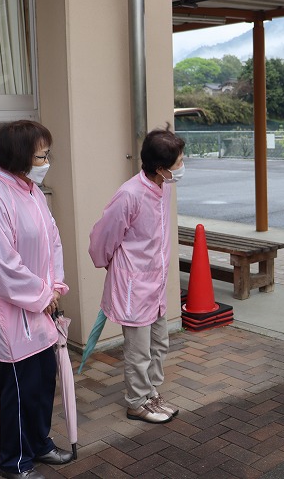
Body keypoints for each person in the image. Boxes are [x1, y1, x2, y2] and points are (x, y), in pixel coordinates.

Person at [0, 120, 73, 479]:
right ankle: (14, 462)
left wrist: (55, 286)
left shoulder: (31, 192)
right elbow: (1, 264)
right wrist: (42, 294)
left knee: (43, 382)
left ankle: (40, 443)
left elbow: (52, 241)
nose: (46, 162)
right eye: (41, 156)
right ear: (20, 156)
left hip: (40, 308)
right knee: (19, 389)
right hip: (10, 315)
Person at [89, 129, 185, 424]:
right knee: (138, 350)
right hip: (134, 284)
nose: (182, 166)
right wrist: (111, 265)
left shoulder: (164, 186)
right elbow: (102, 238)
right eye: (179, 162)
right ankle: (136, 403)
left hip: (155, 282)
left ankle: (150, 394)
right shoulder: (130, 194)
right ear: (160, 167)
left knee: (159, 343)